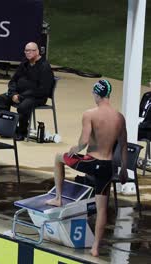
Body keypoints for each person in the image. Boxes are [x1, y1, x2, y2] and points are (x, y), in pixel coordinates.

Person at [45, 79, 128, 257]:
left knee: (59, 158)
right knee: (102, 209)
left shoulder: (90, 114)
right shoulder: (119, 117)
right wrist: (123, 170)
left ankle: (58, 198)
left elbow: (83, 142)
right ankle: (96, 248)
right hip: (107, 167)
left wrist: (73, 150)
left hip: (91, 162)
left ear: (97, 94)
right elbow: (123, 146)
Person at [0, 42, 54, 140]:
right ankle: (9, 128)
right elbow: (13, 81)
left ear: (38, 52)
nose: (29, 53)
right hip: (18, 95)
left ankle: (22, 132)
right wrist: (13, 93)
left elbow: (42, 90)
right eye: (27, 51)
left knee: (23, 107)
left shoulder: (44, 67)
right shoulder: (25, 63)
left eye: (32, 50)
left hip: (36, 97)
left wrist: (21, 97)